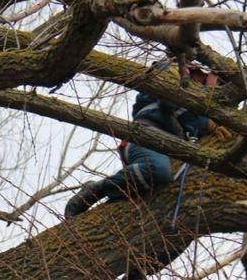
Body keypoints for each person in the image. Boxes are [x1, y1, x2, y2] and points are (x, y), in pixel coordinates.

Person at [64, 61, 222, 218]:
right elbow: (168, 101)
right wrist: (205, 123)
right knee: (157, 170)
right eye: (219, 81)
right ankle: (97, 189)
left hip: (167, 149)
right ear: (207, 73)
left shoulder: (201, 107)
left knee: (159, 185)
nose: (218, 87)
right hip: (146, 136)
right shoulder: (173, 70)